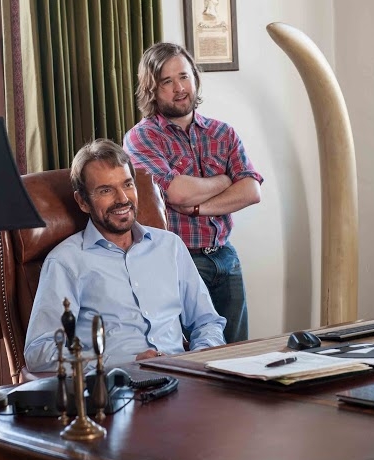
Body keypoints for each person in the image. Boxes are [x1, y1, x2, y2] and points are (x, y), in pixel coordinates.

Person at [24, 139, 226, 372]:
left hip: (183, 378)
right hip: (115, 385)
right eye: (106, 190)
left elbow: (207, 322)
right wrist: (123, 363)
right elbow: (39, 352)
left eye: (128, 184)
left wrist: (200, 359)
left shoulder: (170, 246)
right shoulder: (65, 262)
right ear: (83, 202)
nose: (122, 199)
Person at [123, 42, 262, 344]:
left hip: (226, 257)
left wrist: (199, 208)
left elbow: (251, 190)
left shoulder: (223, 133)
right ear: (151, 90)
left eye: (184, 77)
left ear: (195, 78)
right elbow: (177, 194)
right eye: (167, 81)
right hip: (179, 261)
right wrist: (225, 180)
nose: (179, 88)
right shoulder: (141, 137)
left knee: (237, 353)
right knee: (191, 358)